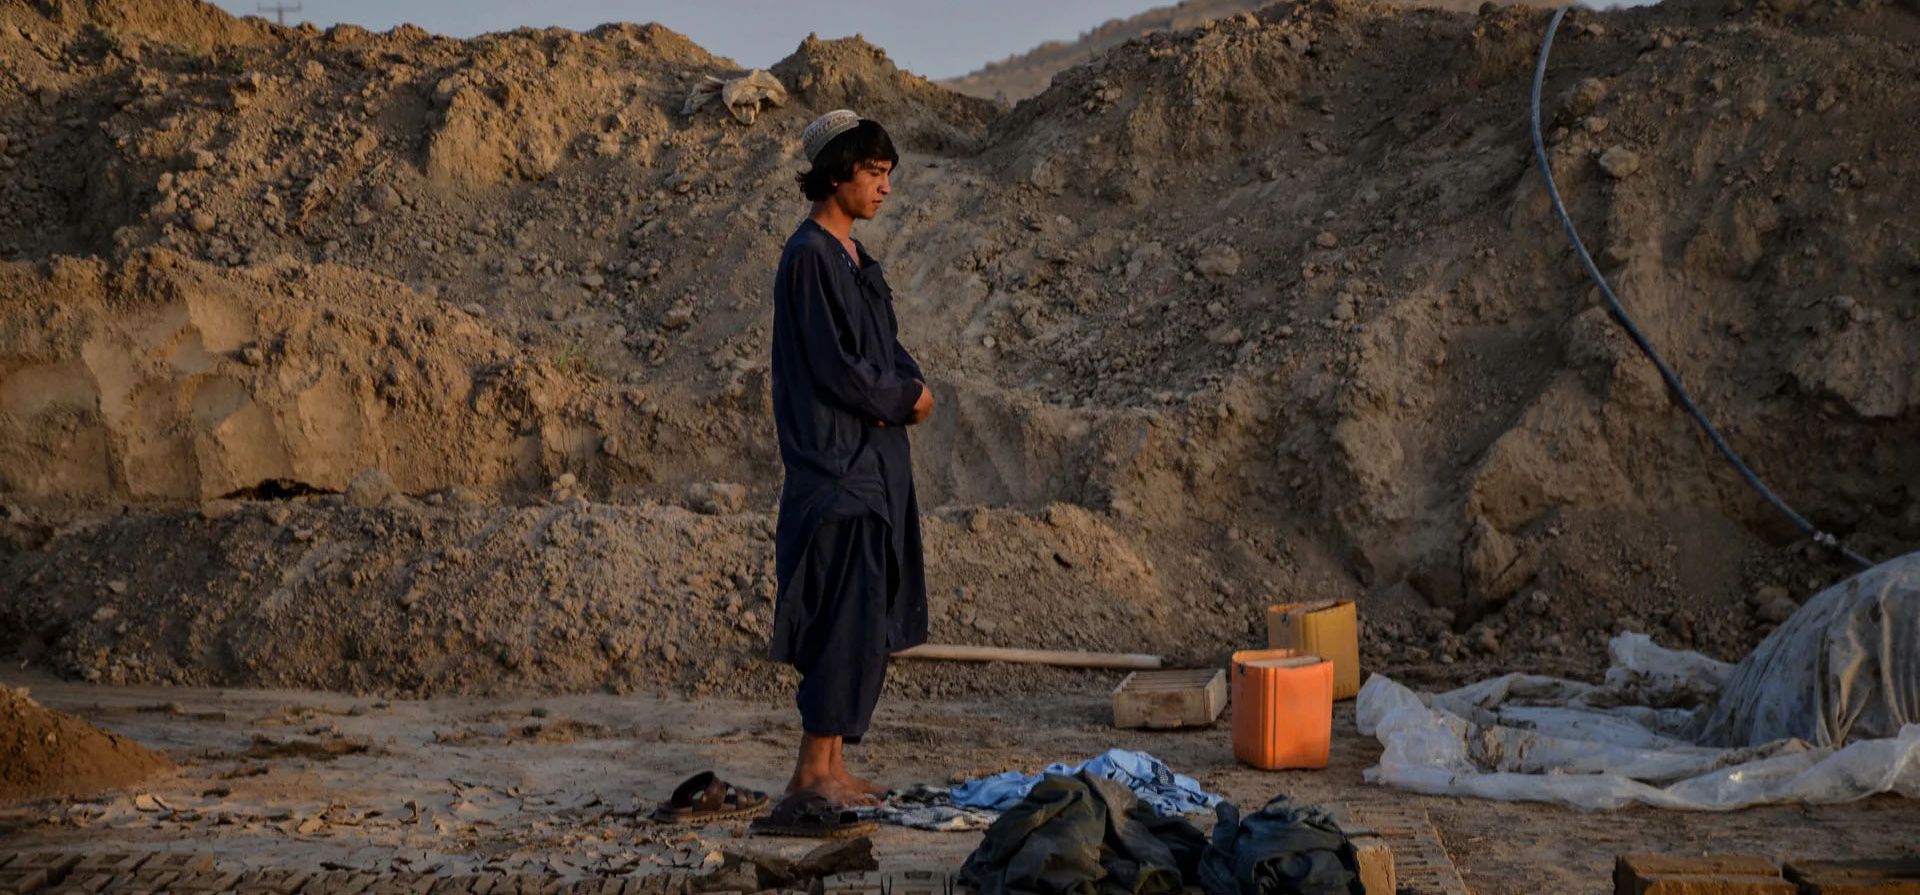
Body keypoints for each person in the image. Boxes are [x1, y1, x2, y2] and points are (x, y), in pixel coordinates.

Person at [764, 110, 935, 811]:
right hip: (835, 469)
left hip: (873, 465)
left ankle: (832, 768)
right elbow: (839, 368)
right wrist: (901, 397)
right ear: (836, 173)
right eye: (873, 172)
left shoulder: (857, 262)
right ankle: (809, 775)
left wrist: (909, 389)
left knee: (863, 616)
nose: (884, 187)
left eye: (888, 174)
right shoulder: (808, 258)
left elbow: (885, 353)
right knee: (838, 616)